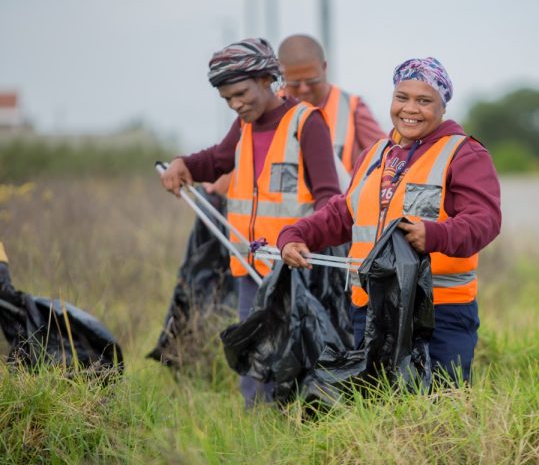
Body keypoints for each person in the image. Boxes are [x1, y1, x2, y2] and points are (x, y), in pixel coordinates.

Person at [278, 57, 502, 384]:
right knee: (376, 411)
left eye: (424, 100)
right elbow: (343, 213)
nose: (410, 109)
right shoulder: (374, 154)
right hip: (370, 312)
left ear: (442, 107)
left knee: (442, 414)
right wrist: (296, 234)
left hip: (439, 313)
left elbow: (486, 221)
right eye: (402, 97)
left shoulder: (465, 154)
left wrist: (436, 235)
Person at [160, 38, 341, 406]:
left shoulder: (306, 123)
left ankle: (303, 434)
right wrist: (184, 165)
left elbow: (328, 196)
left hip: (296, 272)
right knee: (255, 359)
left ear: (267, 79)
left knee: (298, 358)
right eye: (228, 99)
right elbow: (216, 160)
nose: (236, 104)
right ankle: (260, 434)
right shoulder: (243, 126)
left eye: (241, 94)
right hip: (248, 269)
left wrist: (309, 239)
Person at [278, 34, 386, 174]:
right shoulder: (270, 110)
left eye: (312, 80)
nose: (304, 88)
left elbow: (388, 157)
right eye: (295, 83)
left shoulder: (351, 107)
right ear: (281, 73)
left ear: (324, 67)